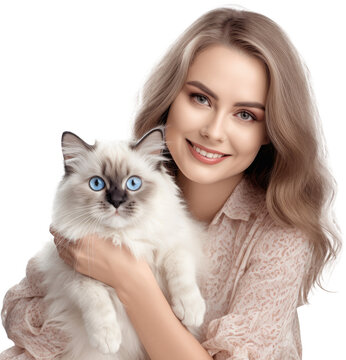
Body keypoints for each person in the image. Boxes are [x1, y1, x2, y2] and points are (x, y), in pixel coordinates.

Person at [0, 7, 341, 360]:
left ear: (270, 130)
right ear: (170, 100)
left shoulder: (281, 238)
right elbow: (20, 312)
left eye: (245, 115)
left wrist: (130, 281)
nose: (214, 131)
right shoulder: (118, 178)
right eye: (200, 98)